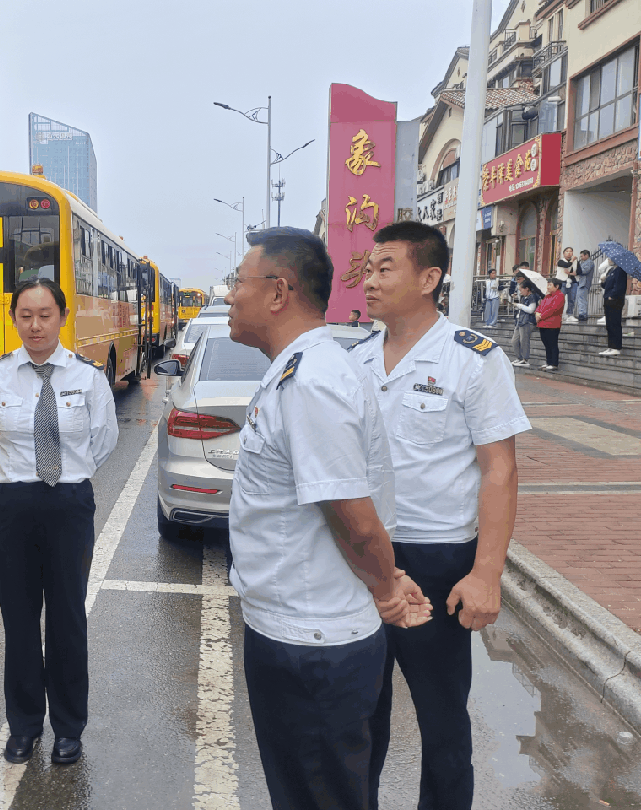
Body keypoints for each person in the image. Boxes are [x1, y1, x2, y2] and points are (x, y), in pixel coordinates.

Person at [224, 227, 431, 810]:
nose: (229, 294)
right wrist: (385, 580)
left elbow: (354, 519)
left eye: (239, 281)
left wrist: (387, 585)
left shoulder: (312, 381)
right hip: (298, 629)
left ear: (278, 292)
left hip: (311, 646)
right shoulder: (300, 370)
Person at [353, 220, 530, 810]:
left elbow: (499, 470)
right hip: (364, 558)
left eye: (385, 268)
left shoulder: (472, 361)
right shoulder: (353, 361)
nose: (369, 281)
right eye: (368, 269)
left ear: (429, 278)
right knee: (359, 714)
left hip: (435, 558)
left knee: (442, 720)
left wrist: (486, 574)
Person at [0, 277, 118, 766]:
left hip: (68, 506)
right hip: (12, 508)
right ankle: (25, 725)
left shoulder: (88, 377)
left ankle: (69, 729)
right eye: (25, 316)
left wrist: (61, 481)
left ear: (62, 316)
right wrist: (22, 480)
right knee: (19, 622)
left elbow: (102, 443)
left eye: (45, 315)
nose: (35, 325)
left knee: (68, 621)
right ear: (14, 319)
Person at [600, 258, 628, 357]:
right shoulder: (611, 270)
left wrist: (612, 296)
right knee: (609, 325)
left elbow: (619, 286)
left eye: (611, 257)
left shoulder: (621, 270)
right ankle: (611, 346)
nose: (609, 259)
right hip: (608, 299)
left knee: (614, 323)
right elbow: (606, 286)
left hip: (615, 300)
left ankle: (616, 347)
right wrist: (603, 281)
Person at [536, 278, 565, 371]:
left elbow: (554, 310)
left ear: (556, 286)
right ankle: (548, 362)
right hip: (543, 323)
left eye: (550, 285)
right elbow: (540, 306)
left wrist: (541, 316)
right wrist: (537, 313)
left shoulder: (559, 296)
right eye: (547, 285)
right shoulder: (547, 296)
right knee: (546, 343)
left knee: (552, 343)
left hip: (552, 323)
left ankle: (554, 363)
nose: (548, 287)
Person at [512, 280, 538, 368]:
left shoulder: (532, 297)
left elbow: (531, 310)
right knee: (514, 340)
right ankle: (519, 357)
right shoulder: (523, 298)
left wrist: (520, 306)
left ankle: (525, 359)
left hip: (527, 321)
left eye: (521, 289)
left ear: (527, 289)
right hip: (520, 320)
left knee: (524, 340)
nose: (520, 292)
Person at [556, 247, 580, 322]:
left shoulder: (576, 261)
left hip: (573, 282)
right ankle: (559, 315)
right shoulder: (560, 261)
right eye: (567, 251)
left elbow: (579, 271)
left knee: (572, 299)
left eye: (571, 251)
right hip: (562, 282)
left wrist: (571, 273)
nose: (569, 253)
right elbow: (567, 265)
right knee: (561, 299)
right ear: (563, 253)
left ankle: (570, 314)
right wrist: (572, 260)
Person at [576, 249, 595, 322]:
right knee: (581, 299)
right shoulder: (583, 262)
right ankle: (583, 313)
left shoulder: (589, 262)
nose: (580, 257)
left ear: (586, 255)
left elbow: (584, 271)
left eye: (582, 256)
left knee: (582, 299)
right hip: (581, 283)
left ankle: (582, 314)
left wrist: (577, 266)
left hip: (584, 283)